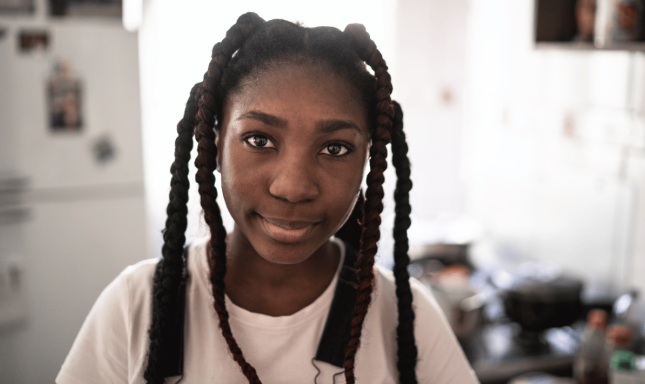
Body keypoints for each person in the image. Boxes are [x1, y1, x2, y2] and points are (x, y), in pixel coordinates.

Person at [56, 13, 479, 384]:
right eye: (259, 139)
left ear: (368, 159)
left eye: (335, 148)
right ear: (215, 144)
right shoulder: (135, 305)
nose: (293, 187)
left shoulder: (406, 317)